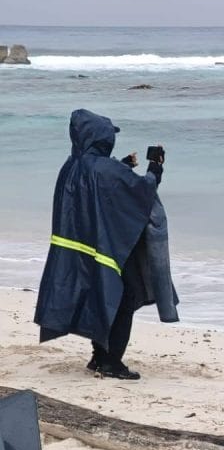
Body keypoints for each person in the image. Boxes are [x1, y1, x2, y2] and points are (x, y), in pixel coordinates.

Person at [35, 109, 179, 380]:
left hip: (79, 251)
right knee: (125, 298)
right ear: (100, 137)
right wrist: (155, 167)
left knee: (101, 299)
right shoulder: (105, 169)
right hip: (106, 250)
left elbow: (101, 185)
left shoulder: (71, 165)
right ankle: (111, 361)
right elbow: (141, 191)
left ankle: (99, 356)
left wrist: (123, 164)